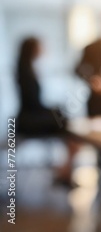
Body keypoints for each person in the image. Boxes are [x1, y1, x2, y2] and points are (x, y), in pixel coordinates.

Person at [16, 37, 78, 186]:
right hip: (28, 120)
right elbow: (32, 104)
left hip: (30, 117)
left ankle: (65, 170)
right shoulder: (25, 72)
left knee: (64, 120)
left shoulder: (28, 68)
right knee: (65, 123)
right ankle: (65, 171)